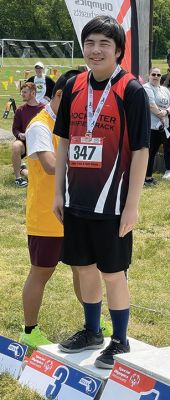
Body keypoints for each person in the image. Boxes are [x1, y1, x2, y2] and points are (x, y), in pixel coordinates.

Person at [53, 15, 150, 369]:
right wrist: (56, 193)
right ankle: (92, 331)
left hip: (113, 201)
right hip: (77, 198)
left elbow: (141, 150)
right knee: (83, 268)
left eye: (104, 44)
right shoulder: (75, 85)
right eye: (90, 43)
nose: (95, 51)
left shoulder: (132, 90)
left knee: (113, 272)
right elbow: (63, 141)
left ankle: (119, 340)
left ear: (119, 51)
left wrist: (132, 206)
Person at [19, 70, 81, 348]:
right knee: (41, 272)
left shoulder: (71, 123)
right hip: (46, 216)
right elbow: (50, 165)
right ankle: (29, 331)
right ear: (59, 95)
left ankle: (92, 323)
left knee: (83, 268)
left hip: (75, 213)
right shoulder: (39, 126)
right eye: (76, 98)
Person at [12, 82, 44, 187]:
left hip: (39, 142)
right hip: (24, 142)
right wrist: (20, 134)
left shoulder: (44, 109)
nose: (22, 94)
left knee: (37, 178)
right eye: (22, 92)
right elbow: (15, 129)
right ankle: (18, 178)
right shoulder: (20, 110)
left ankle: (23, 170)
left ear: (33, 93)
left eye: (25, 92)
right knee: (16, 146)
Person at [143, 67, 170, 186]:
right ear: (149, 75)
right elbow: (151, 105)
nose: (156, 76)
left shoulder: (165, 89)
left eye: (158, 75)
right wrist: (162, 113)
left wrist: (166, 112)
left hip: (164, 126)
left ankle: (149, 177)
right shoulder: (146, 87)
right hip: (151, 126)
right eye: (153, 74)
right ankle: (146, 178)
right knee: (149, 153)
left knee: (154, 153)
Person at [160, 53, 170, 179]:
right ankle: (168, 169)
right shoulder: (162, 78)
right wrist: (168, 78)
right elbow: (159, 92)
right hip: (166, 116)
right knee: (168, 144)